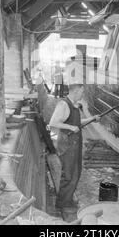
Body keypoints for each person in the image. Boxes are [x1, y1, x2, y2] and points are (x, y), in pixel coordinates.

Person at [49, 83, 100, 212]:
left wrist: (91, 119)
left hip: (74, 143)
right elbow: (53, 122)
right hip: (67, 144)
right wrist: (71, 128)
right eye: (82, 92)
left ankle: (68, 199)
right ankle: (62, 204)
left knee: (75, 172)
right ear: (76, 91)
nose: (82, 95)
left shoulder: (74, 106)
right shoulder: (64, 104)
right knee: (69, 174)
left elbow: (76, 123)